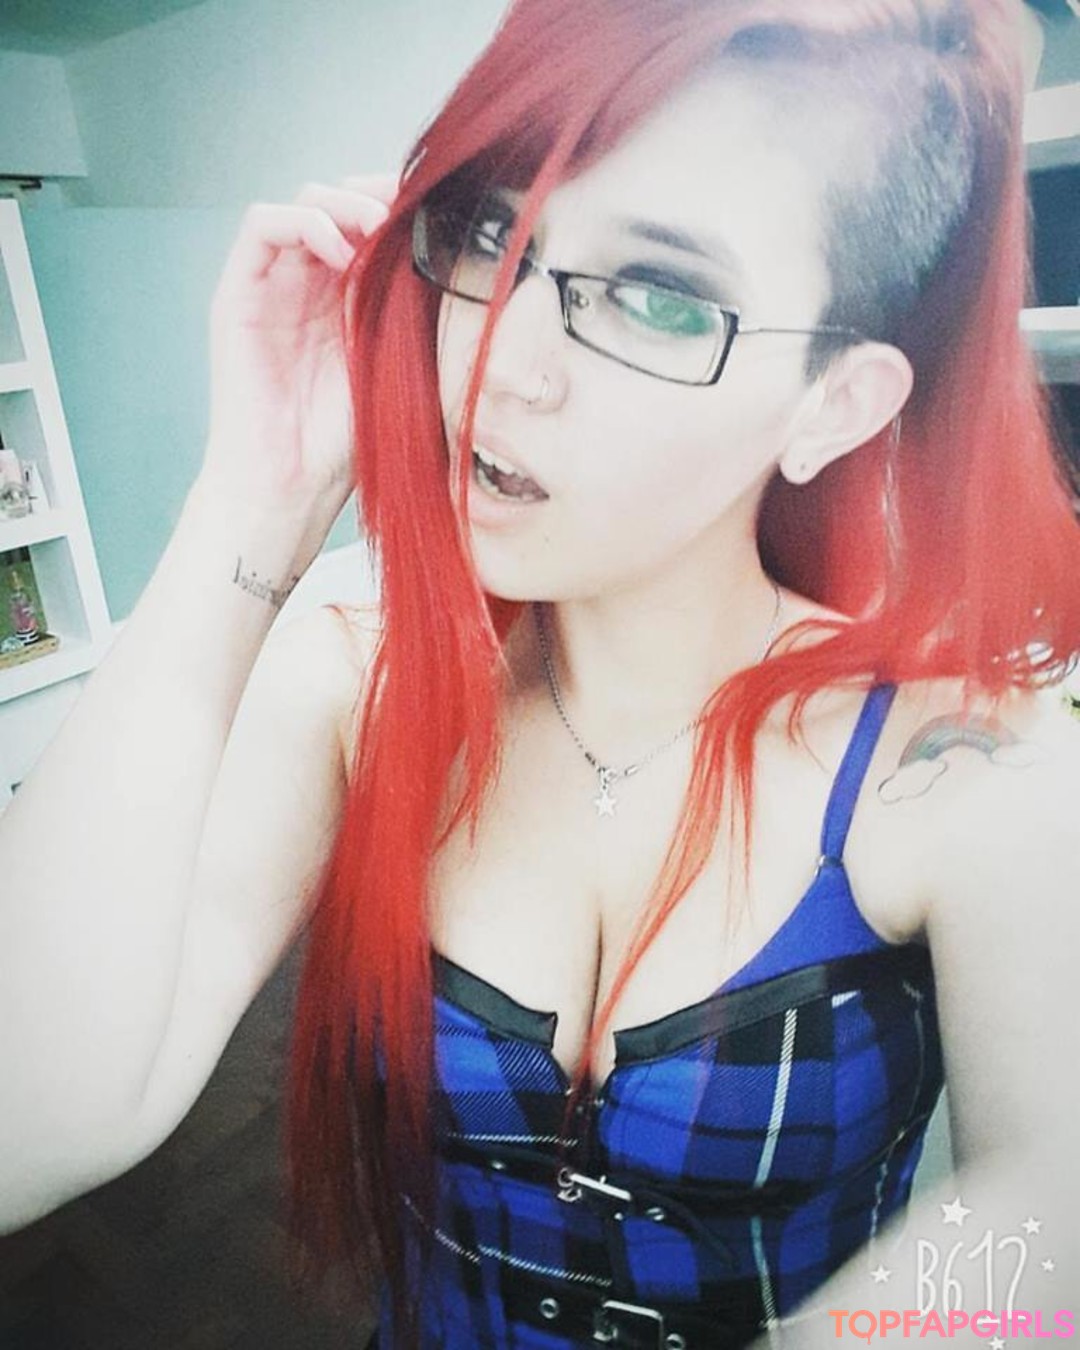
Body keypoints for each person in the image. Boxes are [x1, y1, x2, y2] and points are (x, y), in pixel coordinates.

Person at [2, 0, 1080, 1344]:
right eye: (490, 235)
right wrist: (250, 503)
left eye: (660, 297)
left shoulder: (959, 767)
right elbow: (23, 1121)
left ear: (832, 405)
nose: (501, 362)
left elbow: (1053, 1209)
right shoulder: (362, 684)